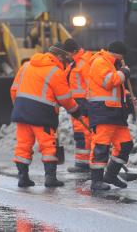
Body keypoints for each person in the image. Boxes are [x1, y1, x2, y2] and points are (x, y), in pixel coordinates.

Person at [11, 42, 81, 188]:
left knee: (23, 145)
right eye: (66, 60)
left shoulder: (26, 66)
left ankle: (23, 177)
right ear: (60, 57)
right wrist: (75, 111)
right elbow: (65, 98)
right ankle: (50, 179)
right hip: (42, 115)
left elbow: (14, 90)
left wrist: (20, 107)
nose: (67, 64)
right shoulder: (55, 72)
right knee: (48, 146)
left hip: (22, 111)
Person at [87, 41, 134, 191]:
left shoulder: (111, 63)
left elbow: (114, 90)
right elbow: (109, 82)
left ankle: (111, 175)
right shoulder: (100, 62)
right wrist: (124, 73)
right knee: (101, 146)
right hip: (103, 111)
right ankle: (96, 180)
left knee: (125, 145)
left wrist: (126, 96)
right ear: (118, 54)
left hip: (116, 113)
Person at [63, 38, 93, 173]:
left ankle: (83, 164)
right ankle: (82, 162)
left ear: (74, 51)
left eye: (67, 53)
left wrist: (88, 104)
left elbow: (91, 85)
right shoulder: (73, 64)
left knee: (84, 133)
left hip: (83, 104)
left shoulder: (83, 64)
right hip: (76, 104)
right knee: (79, 134)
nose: (66, 56)